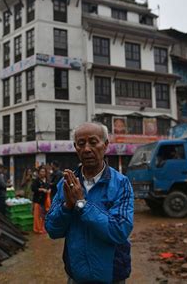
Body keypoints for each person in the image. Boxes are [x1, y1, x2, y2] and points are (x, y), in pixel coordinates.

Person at [46, 122, 134, 284]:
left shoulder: (121, 183)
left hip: (112, 277)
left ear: (106, 145)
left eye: (93, 142)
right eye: (81, 144)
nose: (87, 149)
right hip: (76, 276)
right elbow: (52, 230)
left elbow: (120, 230)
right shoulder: (65, 184)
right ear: (76, 148)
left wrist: (81, 203)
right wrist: (67, 207)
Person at [32, 166, 50, 234]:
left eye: (44, 172)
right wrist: (41, 189)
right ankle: (37, 229)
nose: (42, 173)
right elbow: (33, 188)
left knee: (44, 215)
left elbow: (48, 187)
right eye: (41, 171)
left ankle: (43, 228)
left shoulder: (47, 180)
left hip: (45, 200)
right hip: (38, 200)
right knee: (38, 215)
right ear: (39, 172)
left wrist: (48, 190)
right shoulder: (36, 180)